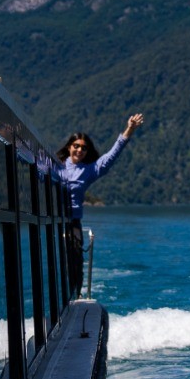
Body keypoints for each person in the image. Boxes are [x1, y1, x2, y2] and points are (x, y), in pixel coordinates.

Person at [56, 113, 144, 294]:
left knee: (75, 264)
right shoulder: (54, 165)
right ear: (68, 147)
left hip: (72, 223)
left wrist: (129, 130)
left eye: (84, 148)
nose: (80, 150)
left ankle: (75, 298)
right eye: (76, 146)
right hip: (51, 222)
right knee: (56, 266)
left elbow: (111, 156)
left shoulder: (88, 171)